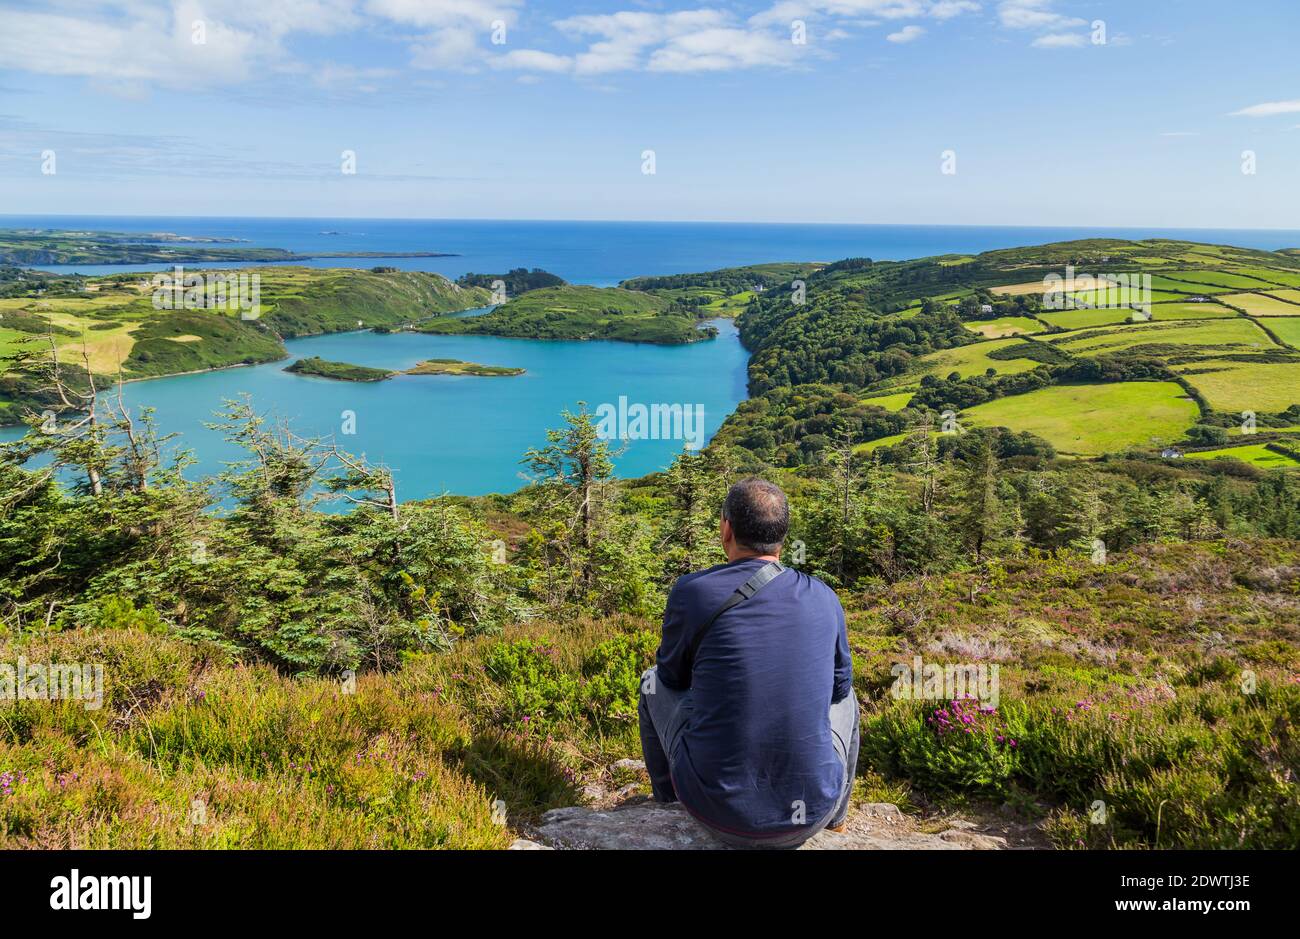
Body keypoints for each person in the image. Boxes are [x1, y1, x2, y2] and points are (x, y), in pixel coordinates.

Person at [638, 477, 859, 849]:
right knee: (848, 697)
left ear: (726, 529)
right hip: (810, 817)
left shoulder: (692, 592)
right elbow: (838, 689)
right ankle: (836, 819)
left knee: (651, 682)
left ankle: (669, 801)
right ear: (782, 536)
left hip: (715, 816)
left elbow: (671, 678)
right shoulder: (824, 597)